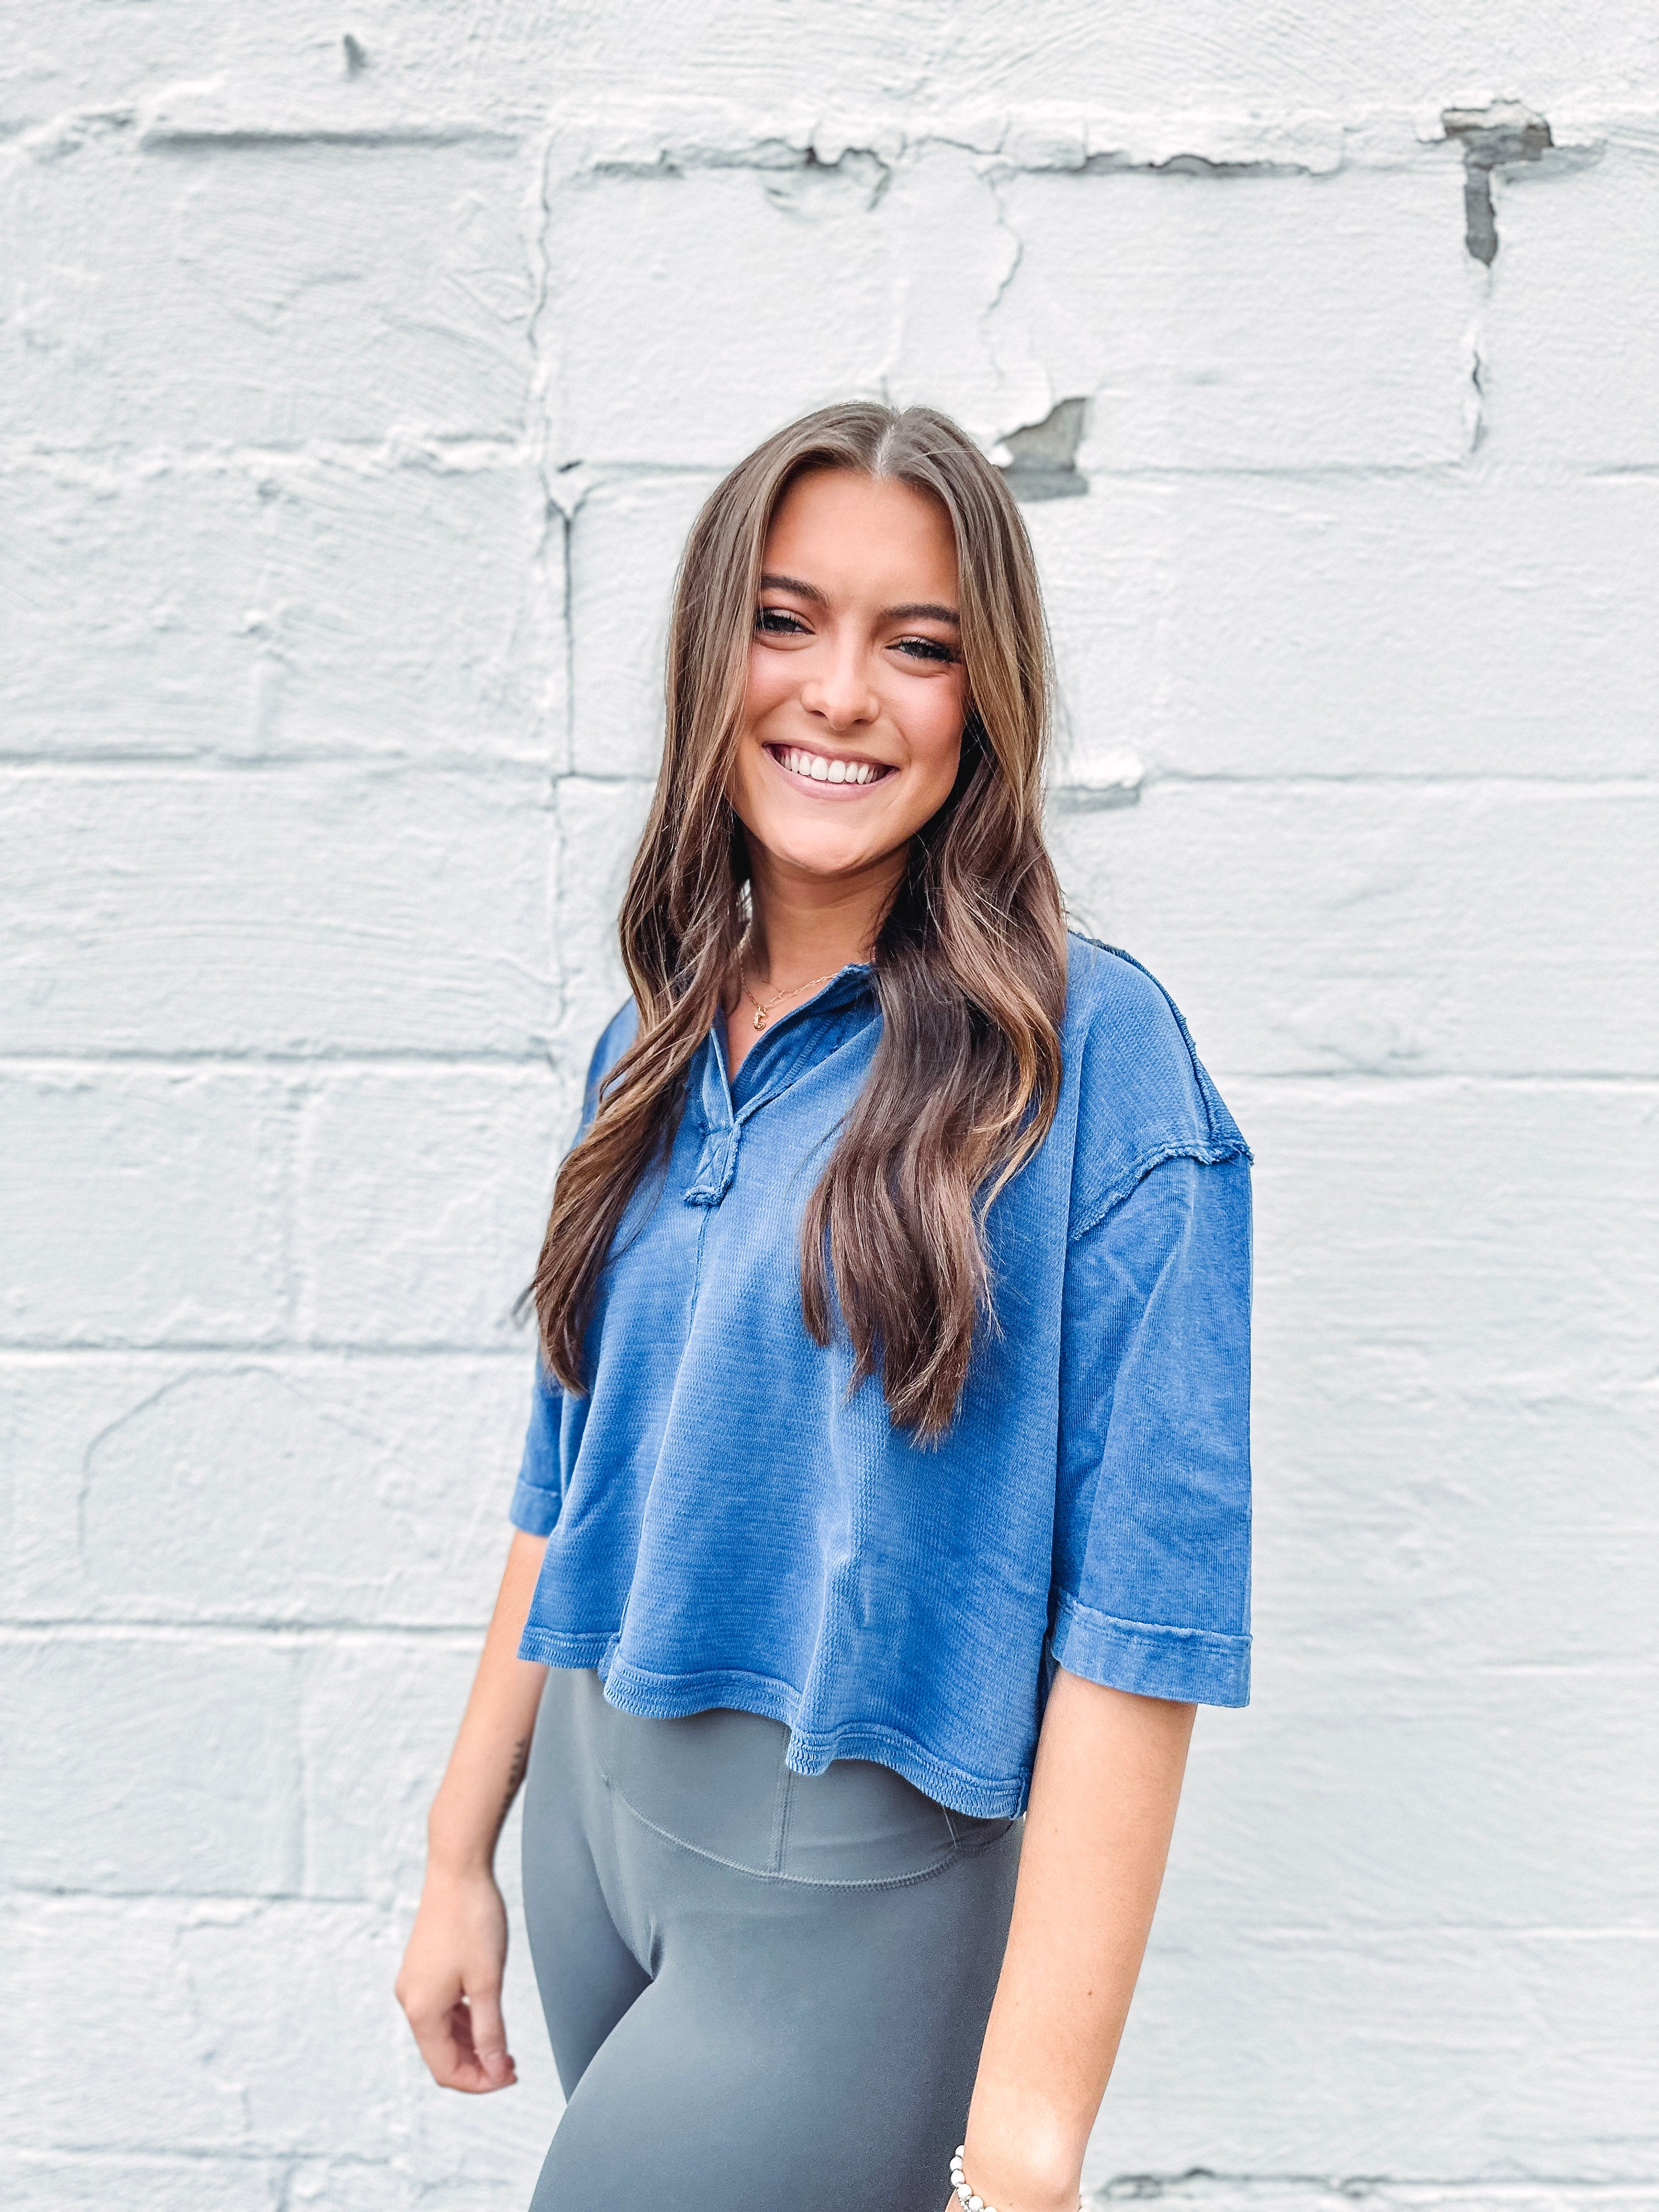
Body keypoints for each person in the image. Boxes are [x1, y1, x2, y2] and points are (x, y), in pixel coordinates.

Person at [394, 402, 1252, 2212]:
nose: (842, 695)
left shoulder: (1091, 1059)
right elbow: (564, 1479)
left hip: (840, 1879)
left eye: (917, 645)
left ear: (984, 698)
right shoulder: (648, 1042)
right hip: (591, 1815)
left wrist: (1030, 2140)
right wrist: (460, 1847)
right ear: (713, 655)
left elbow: (1144, 1619)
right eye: (786, 623)